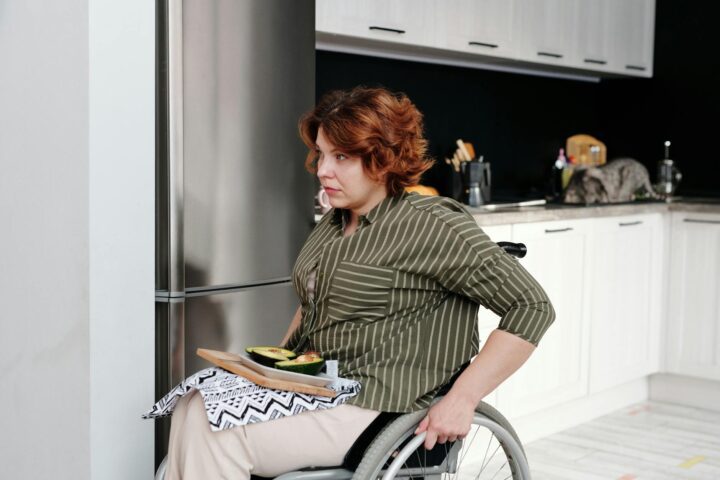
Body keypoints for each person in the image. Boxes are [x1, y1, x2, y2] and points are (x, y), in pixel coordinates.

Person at [165, 86, 555, 479]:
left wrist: (463, 397)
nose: (322, 170)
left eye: (341, 157)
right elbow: (312, 304)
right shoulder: (332, 223)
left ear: (383, 160)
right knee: (194, 403)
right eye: (321, 153)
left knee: (217, 430)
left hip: (376, 404)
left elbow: (532, 307)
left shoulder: (431, 224)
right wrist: (271, 371)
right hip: (316, 388)